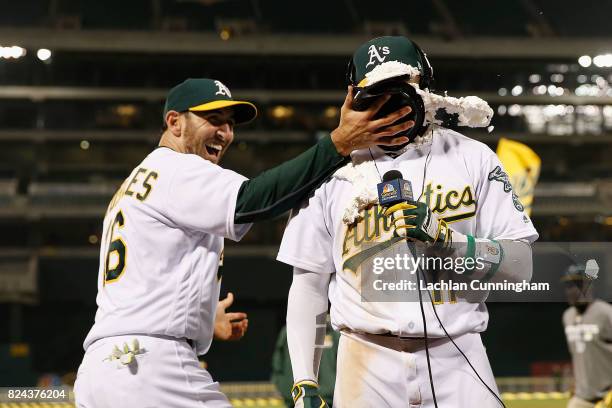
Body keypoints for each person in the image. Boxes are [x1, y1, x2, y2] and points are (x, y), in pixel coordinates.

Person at [73, 77, 414, 408]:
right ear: (174, 122)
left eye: (230, 124)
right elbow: (255, 200)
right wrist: (338, 143)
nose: (225, 132)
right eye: (213, 119)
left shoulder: (139, 180)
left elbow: (148, 275)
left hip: (105, 366)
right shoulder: (175, 169)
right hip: (150, 366)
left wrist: (200, 318)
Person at [277, 36, 539, 408]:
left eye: (400, 92)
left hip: (458, 355)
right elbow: (308, 284)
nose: (390, 107)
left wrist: (448, 241)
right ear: (354, 100)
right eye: (376, 96)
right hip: (364, 360)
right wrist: (304, 378)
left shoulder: (474, 158)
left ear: (426, 91)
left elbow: (521, 266)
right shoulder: (329, 172)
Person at [562, 264, 612, 408]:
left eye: (577, 284)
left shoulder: (606, 313)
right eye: (568, 285)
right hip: (583, 398)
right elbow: (579, 355)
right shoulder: (568, 317)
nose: (572, 290)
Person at [271, 317, 339, 407]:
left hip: (328, 395)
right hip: (295, 393)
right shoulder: (290, 331)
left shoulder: (333, 333)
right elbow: (278, 361)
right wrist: (280, 383)